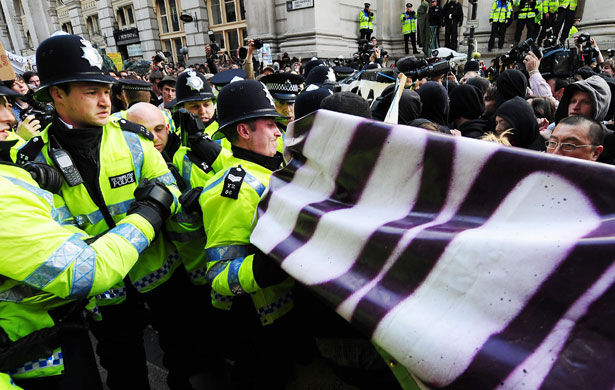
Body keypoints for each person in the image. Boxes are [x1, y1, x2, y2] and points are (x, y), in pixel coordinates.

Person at [12, 34, 194, 390]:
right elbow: (53, 235)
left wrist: (158, 205)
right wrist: (146, 210)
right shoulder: (35, 160)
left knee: (182, 356)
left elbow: (168, 189)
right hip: (104, 295)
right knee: (125, 371)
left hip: (159, 276)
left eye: (106, 90)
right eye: (90, 91)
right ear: (57, 94)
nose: (104, 100)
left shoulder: (132, 137)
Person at [200, 79, 297, 389]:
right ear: (244, 131)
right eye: (270, 125)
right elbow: (220, 275)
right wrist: (276, 264)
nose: (279, 132)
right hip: (256, 322)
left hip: (281, 313)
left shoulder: (270, 169)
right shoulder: (235, 189)